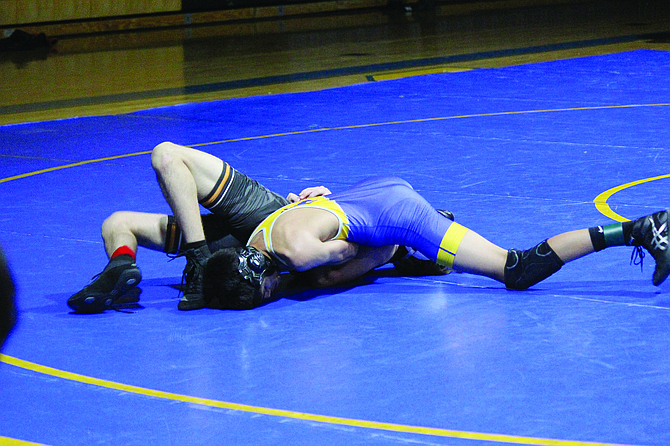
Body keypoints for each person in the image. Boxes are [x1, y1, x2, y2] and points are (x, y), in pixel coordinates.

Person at [67, 144, 446, 313]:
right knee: (148, 179)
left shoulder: (320, 261)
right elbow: (341, 254)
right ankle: (136, 262)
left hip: (239, 239)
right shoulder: (318, 260)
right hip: (254, 230)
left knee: (120, 219)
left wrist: (319, 208)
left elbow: (341, 255)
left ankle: (131, 261)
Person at [203, 176, 670, 310]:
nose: (269, 294)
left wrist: (396, 247)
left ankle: (638, 229)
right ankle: (424, 239)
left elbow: (343, 261)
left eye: (262, 291)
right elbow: (319, 202)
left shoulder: (295, 256)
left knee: (516, 268)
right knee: (391, 247)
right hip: (372, 190)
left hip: (398, 217)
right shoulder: (257, 232)